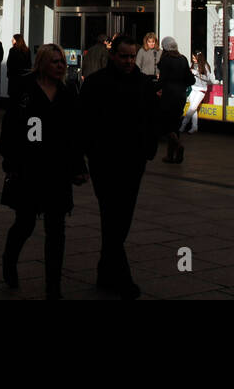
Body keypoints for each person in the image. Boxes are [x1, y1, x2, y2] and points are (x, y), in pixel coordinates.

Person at [0, 43, 88, 299]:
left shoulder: (67, 92)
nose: (61, 66)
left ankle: (53, 286)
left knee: (56, 229)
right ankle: (10, 259)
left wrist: (78, 166)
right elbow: (10, 128)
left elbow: (73, 134)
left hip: (57, 170)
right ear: (42, 63)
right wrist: (10, 161)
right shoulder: (24, 89)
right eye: (55, 61)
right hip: (28, 167)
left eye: (63, 62)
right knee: (25, 223)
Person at [77, 34, 159, 299]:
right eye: (123, 56)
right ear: (112, 55)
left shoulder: (143, 84)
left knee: (121, 218)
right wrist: (84, 156)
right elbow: (83, 123)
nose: (128, 61)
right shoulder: (95, 84)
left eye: (131, 56)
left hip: (133, 162)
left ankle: (105, 269)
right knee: (112, 216)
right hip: (105, 162)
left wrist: (149, 149)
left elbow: (152, 119)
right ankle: (122, 278)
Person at [157, 37, 194, 164]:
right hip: (181, 96)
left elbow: (161, 81)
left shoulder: (165, 60)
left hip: (169, 96)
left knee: (166, 125)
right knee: (175, 125)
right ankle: (171, 156)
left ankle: (178, 145)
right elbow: (191, 80)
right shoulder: (183, 59)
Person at [181, 51, 213, 134]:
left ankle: (182, 125)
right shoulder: (193, 65)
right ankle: (194, 127)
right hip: (193, 88)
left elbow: (208, 78)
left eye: (195, 58)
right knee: (193, 108)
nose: (193, 60)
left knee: (192, 108)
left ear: (199, 57)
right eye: (192, 58)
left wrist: (197, 73)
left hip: (201, 90)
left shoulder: (205, 65)